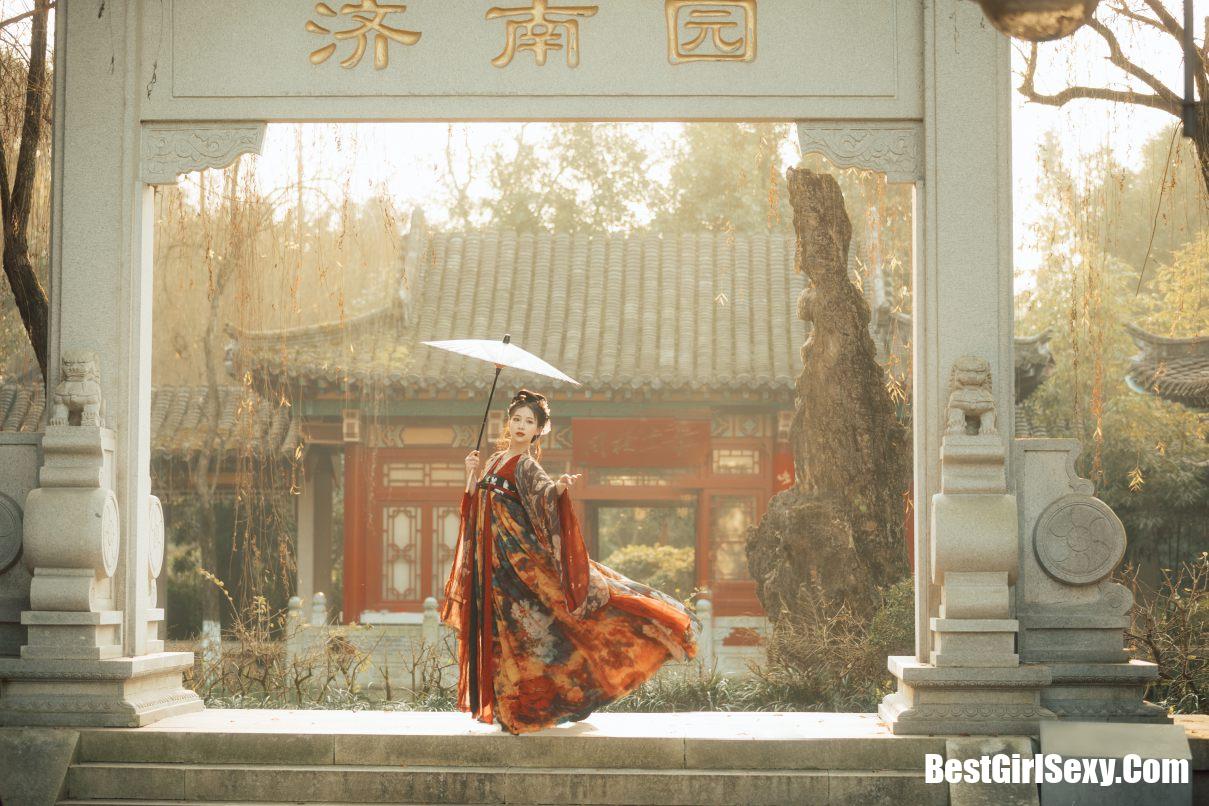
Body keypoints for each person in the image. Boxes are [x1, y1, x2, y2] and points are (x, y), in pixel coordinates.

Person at [439, 388, 700, 734]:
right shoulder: (492, 460)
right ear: (508, 423)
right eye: (516, 419)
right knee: (502, 632)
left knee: (533, 629)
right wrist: (471, 475)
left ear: (538, 430)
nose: (521, 425)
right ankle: (509, 706)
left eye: (528, 421)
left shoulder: (526, 465)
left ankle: (549, 699)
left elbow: (544, 499)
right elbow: (474, 507)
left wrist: (558, 488)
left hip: (520, 564)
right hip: (493, 564)